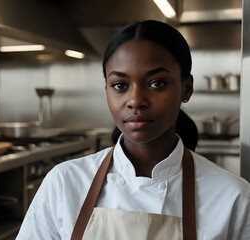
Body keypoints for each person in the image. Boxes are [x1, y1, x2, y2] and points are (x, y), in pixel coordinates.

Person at [16, 20, 250, 239]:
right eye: (120, 85)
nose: (135, 100)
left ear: (186, 89)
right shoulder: (65, 183)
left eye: (156, 83)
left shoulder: (232, 197)